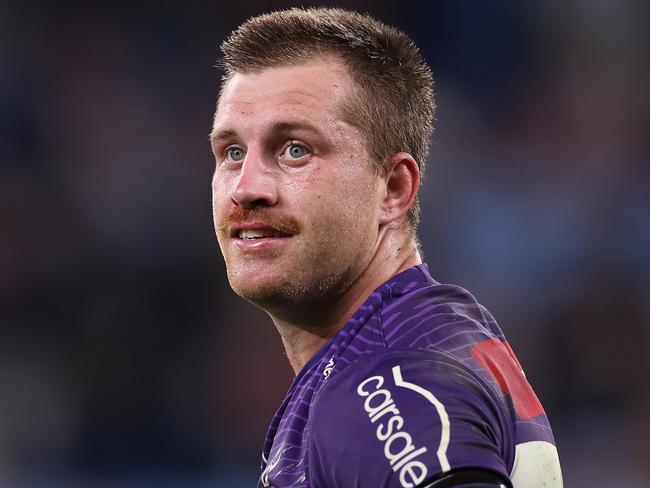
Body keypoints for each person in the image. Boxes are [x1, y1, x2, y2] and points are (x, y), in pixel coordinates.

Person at [209, 7, 562, 488]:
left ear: (394, 188)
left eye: (295, 149)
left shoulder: (383, 383)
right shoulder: (415, 338)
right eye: (232, 152)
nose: (246, 187)